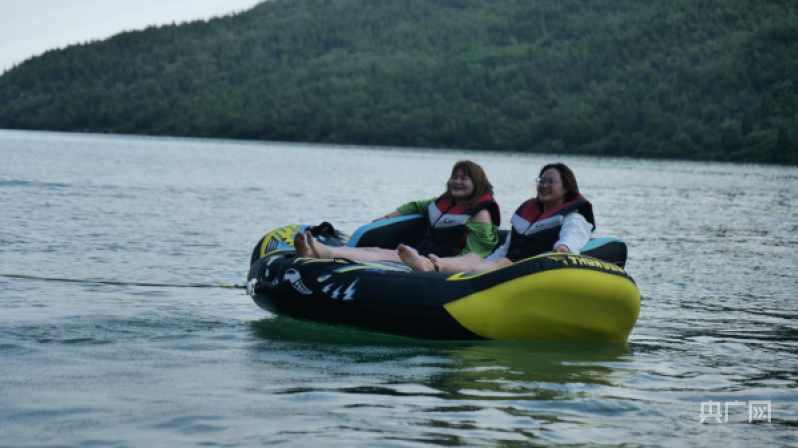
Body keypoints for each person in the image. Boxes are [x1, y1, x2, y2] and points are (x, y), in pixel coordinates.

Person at [398, 163, 595, 272]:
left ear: (566, 187)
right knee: (484, 260)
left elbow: (573, 235)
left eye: (550, 181)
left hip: (536, 270)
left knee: (503, 263)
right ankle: (429, 265)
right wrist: (484, 261)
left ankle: (438, 267)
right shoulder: (528, 213)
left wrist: (564, 247)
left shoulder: (573, 217)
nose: (544, 185)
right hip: (510, 267)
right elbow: (506, 248)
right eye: (541, 181)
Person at [294, 160, 501, 262]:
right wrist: (385, 218)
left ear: (477, 183)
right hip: (421, 255)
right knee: (375, 251)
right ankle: (318, 253)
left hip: (439, 264)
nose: (457, 182)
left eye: (464, 178)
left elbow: (474, 255)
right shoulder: (443, 203)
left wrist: (442, 268)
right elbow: (414, 207)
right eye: (454, 177)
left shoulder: (480, 213)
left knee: (382, 254)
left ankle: (324, 253)